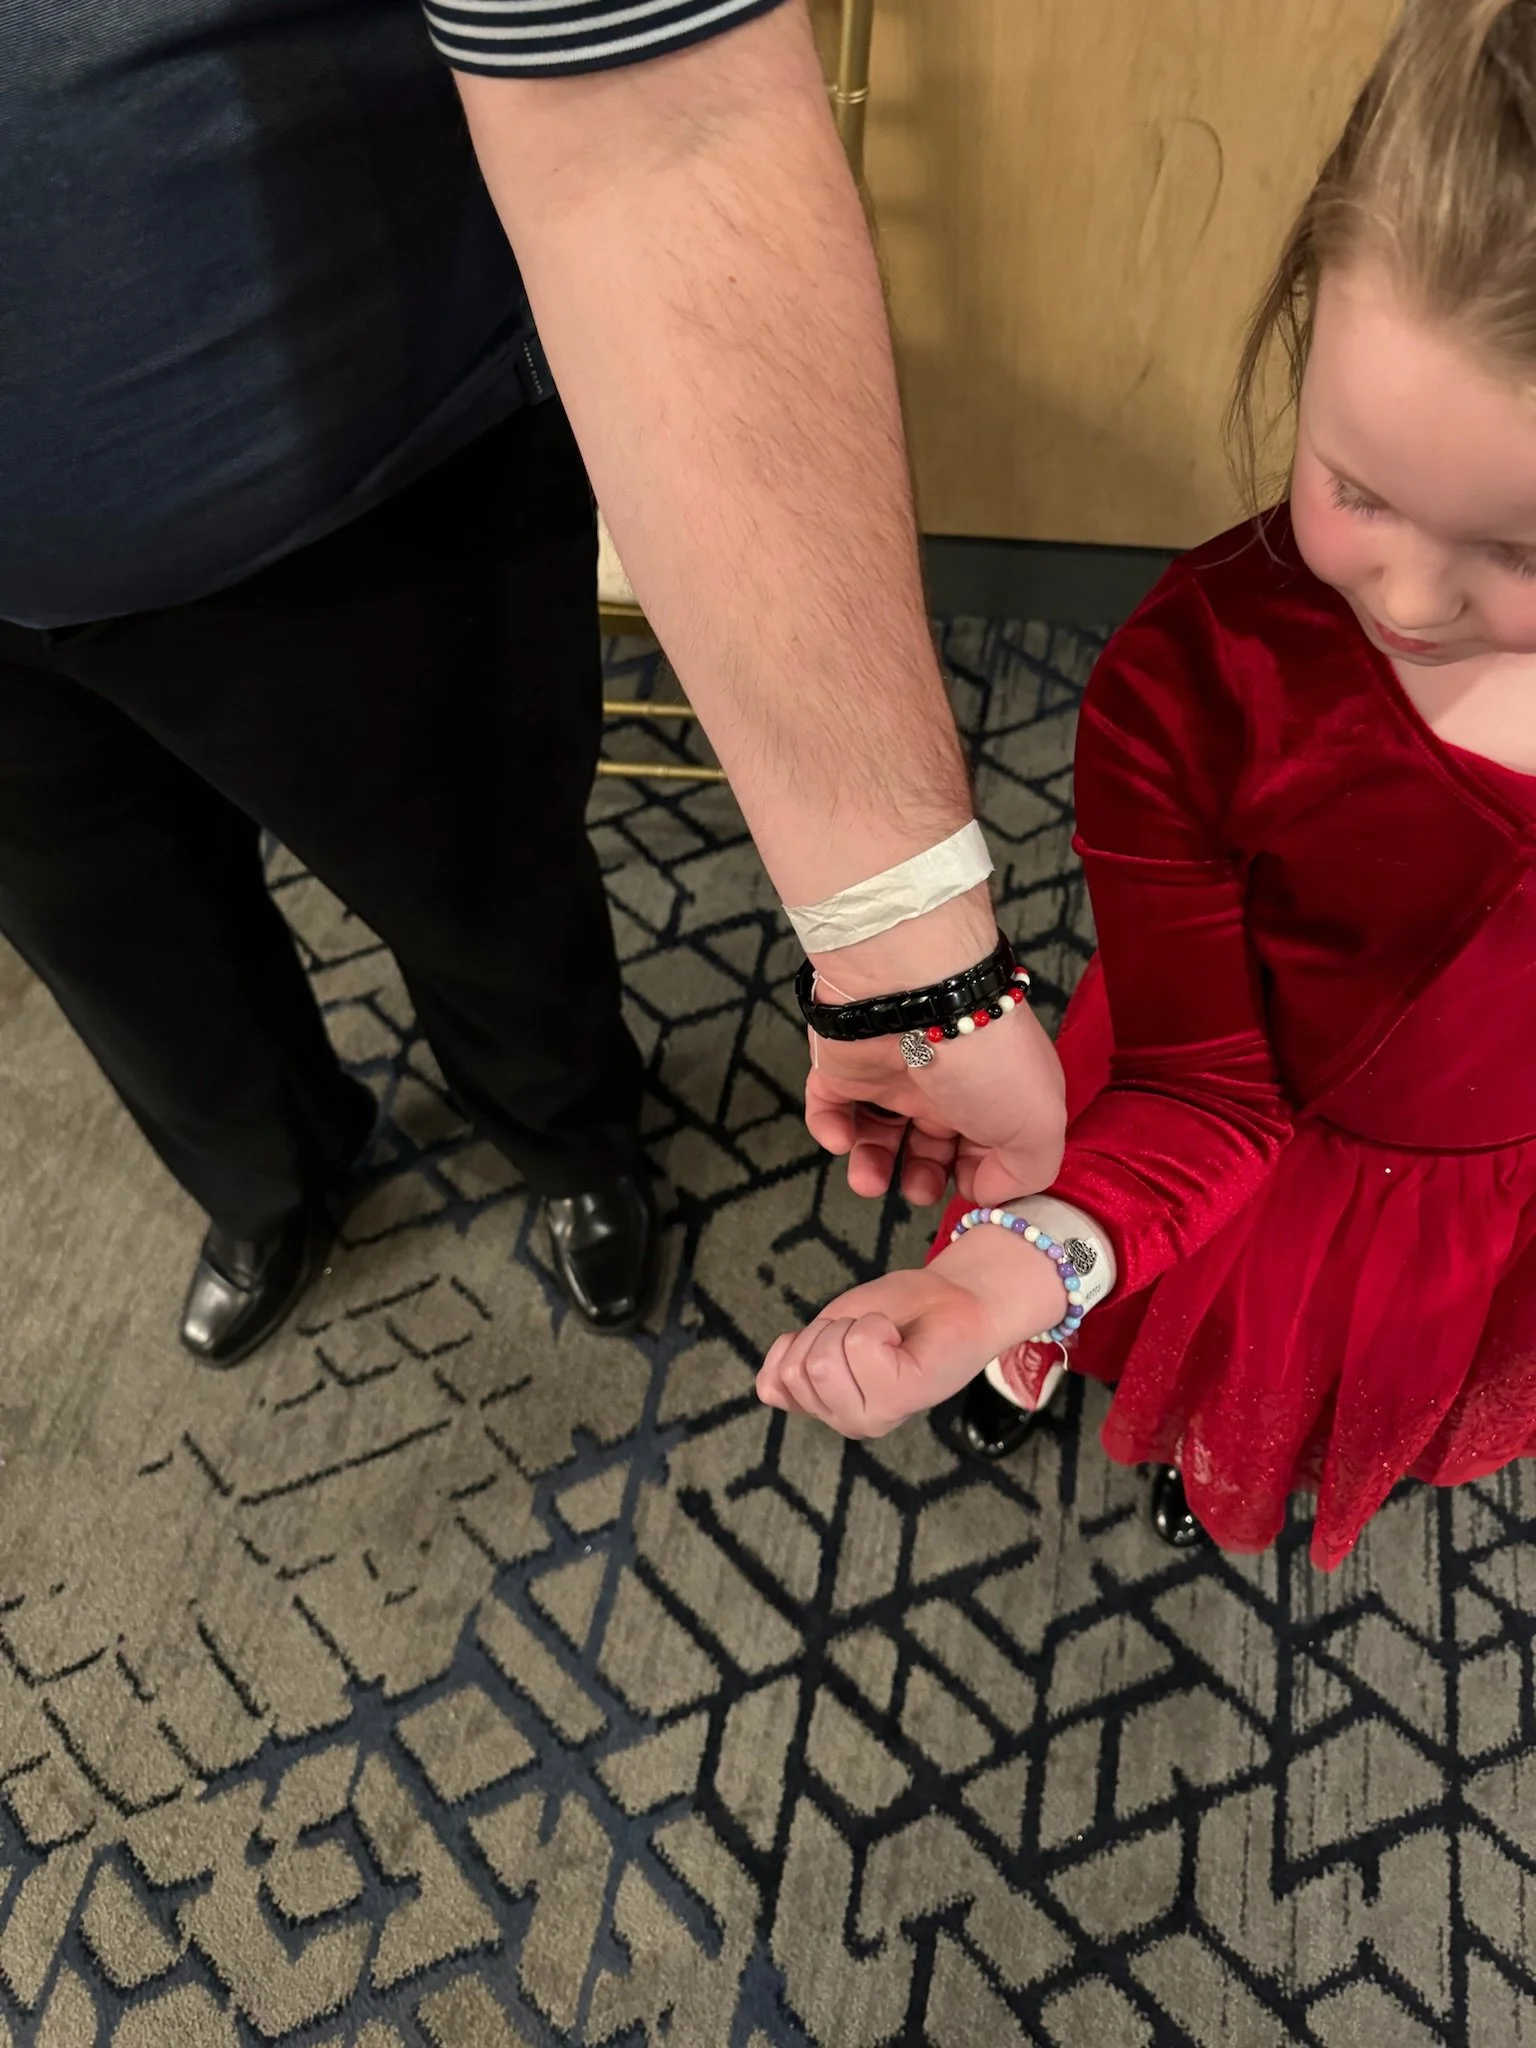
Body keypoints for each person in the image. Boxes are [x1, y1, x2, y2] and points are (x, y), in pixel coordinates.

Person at [2, 0, 1065, 1365]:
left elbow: (660, 137)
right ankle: (272, 1182)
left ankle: (572, 1144)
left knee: (485, 897)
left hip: (359, 487)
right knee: (111, 942)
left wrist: (912, 967)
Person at [758, 0, 1536, 1571]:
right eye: (1355, 485)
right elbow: (1199, 1089)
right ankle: (1068, 1349)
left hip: (1465, 1203)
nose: (1412, 593)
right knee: (1159, 1284)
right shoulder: (1206, 674)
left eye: (1523, 550)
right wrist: (989, 1286)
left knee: (1296, 1376)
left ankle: (1225, 1437)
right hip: (1214, 1107)